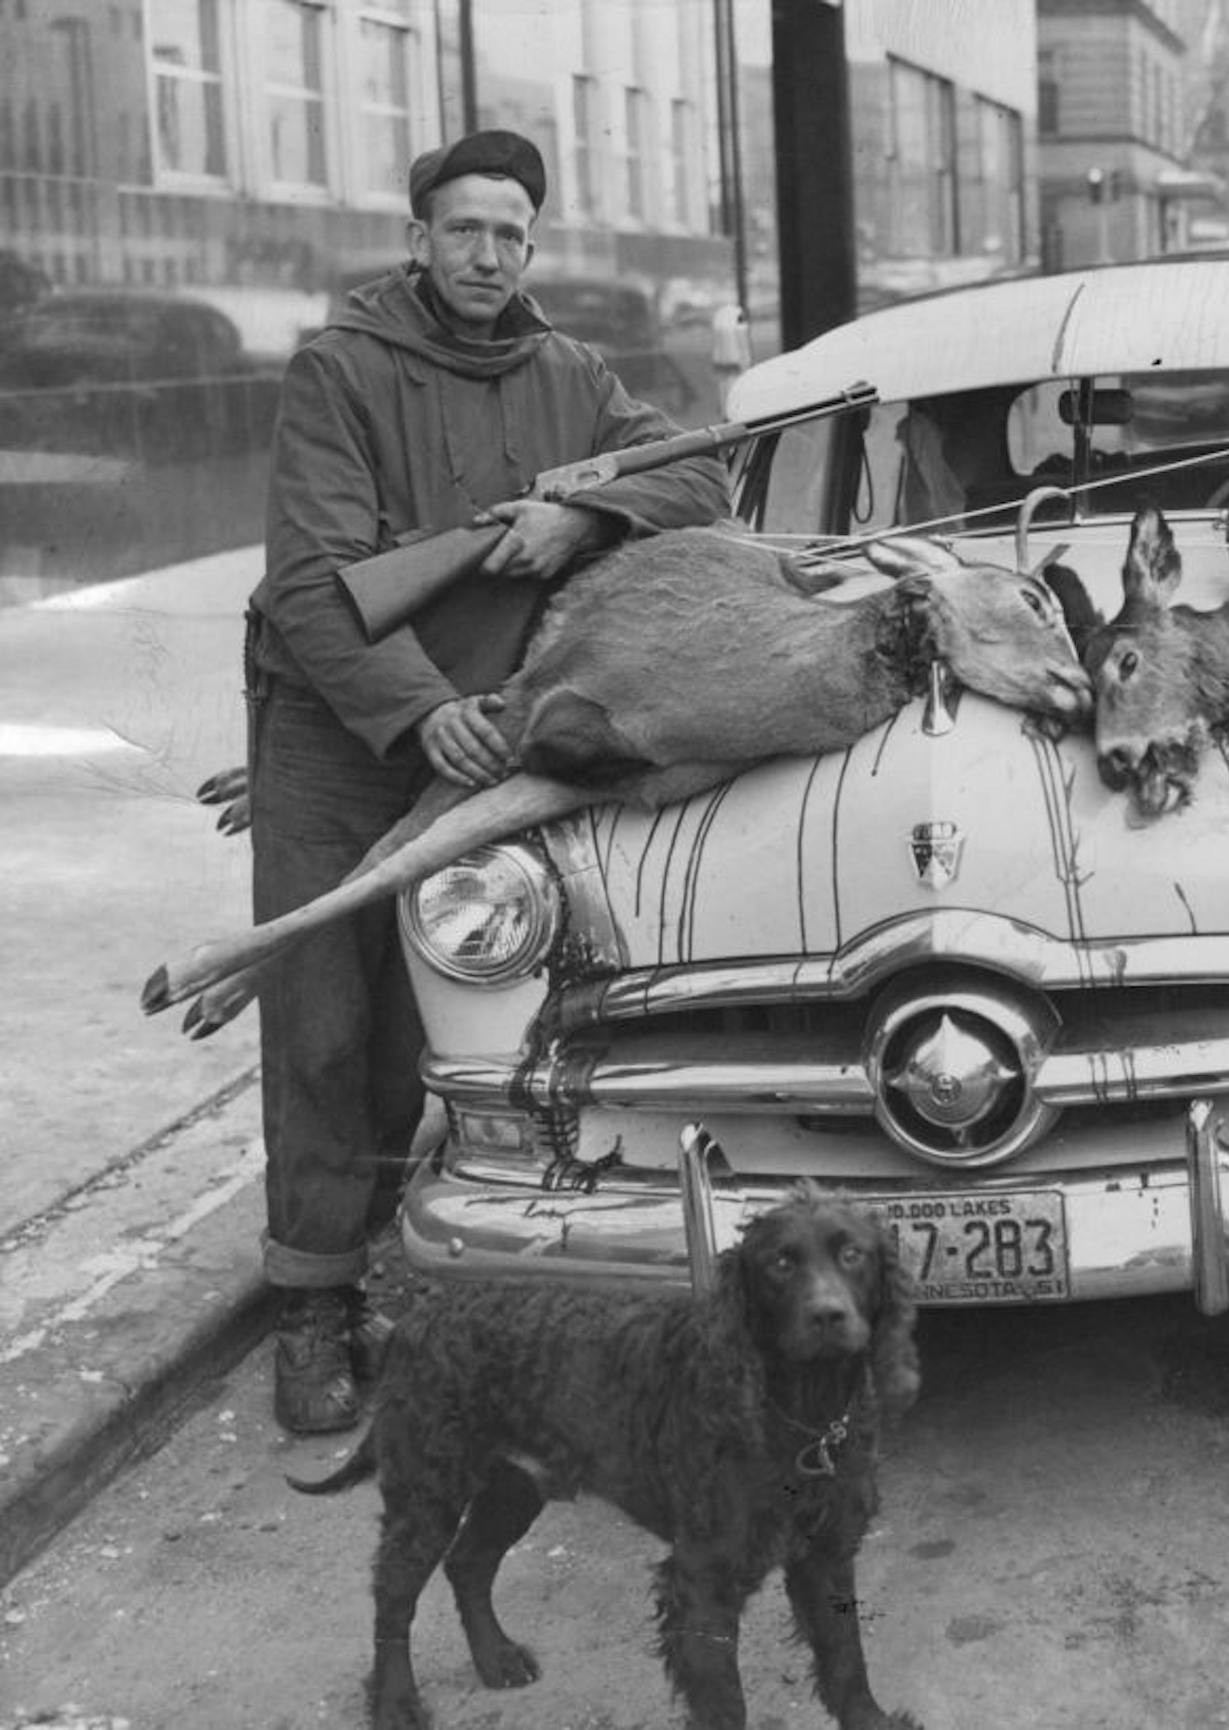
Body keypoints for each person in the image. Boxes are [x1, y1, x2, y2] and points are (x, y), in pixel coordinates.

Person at [247, 129, 734, 1429]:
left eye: (511, 232)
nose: (487, 254)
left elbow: (702, 469)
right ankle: (313, 1301)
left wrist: (589, 515)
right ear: (417, 239)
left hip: (484, 734)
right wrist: (421, 717)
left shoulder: (567, 375)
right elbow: (309, 583)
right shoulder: (340, 371)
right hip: (336, 740)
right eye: (463, 229)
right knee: (323, 1026)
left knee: (437, 1023)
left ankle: (421, 1266)